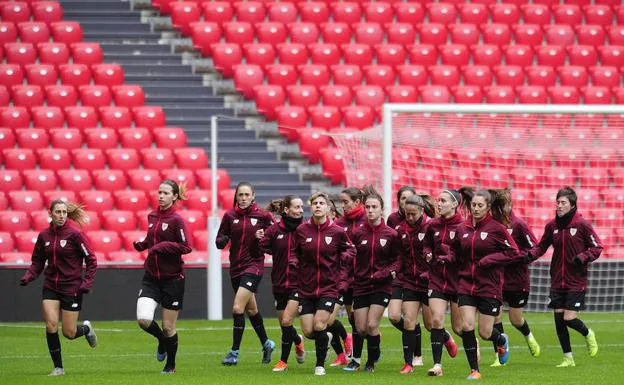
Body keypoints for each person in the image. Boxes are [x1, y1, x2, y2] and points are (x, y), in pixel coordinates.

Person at [440, 189, 521, 380]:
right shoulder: (462, 228)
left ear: (488, 207)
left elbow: (513, 252)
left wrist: (491, 259)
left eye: (480, 206)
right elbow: (456, 252)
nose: (476, 209)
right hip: (466, 284)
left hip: (488, 287)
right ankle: (474, 370)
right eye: (474, 205)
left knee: (485, 332)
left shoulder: (496, 228)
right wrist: (446, 256)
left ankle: (501, 340)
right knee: (466, 326)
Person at [526, 186, 602, 368]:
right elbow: (541, 246)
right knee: (559, 320)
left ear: (572, 205)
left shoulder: (582, 224)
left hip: (576, 280)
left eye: (563, 203)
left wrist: (582, 257)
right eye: (557, 202)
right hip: (557, 280)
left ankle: (588, 333)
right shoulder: (552, 226)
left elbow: (597, 247)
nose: (559, 206)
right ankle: (568, 358)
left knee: (569, 319)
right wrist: (530, 255)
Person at [19, 200, 98, 376]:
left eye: (64, 212)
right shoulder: (44, 236)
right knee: (51, 325)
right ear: (50, 213)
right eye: (58, 212)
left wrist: (87, 282)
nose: (61, 215)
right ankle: (58, 368)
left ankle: (85, 329)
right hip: (50, 286)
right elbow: (37, 261)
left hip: (72, 287)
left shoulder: (75, 235)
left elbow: (91, 260)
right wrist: (29, 276)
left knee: (69, 333)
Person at [293, 192, 355, 375]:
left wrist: (342, 259)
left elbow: (351, 250)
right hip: (307, 287)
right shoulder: (302, 231)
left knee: (320, 324)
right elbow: (295, 253)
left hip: (329, 287)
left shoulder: (337, 232)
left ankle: (319, 365)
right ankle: (327, 338)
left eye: (321, 203)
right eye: (315, 203)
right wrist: (294, 263)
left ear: (328, 208)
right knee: (308, 332)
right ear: (311, 207)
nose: (318, 206)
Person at [134, 180, 192, 374]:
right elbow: (152, 239)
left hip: (173, 279)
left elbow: (186, 246)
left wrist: (162, 247)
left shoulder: (177, 220)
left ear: (174, 196)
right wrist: (143, 244)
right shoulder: (152, 216)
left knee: (169, 327)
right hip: (151, 277)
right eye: (159, 192)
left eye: (165, 193)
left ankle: (171, 365)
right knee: (143, 319)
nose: (161, 196)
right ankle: (160, 340)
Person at [216, 182, 276, 366]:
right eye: (240, 195)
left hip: (254, 266)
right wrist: (223, 240)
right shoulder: (229, 216)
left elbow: (275, 238)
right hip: (235, 267)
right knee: (251, 310)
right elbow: (218, 241)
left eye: (246, 195)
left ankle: (234, 353)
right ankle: (267, 344)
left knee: (237, 308)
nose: (243, 198)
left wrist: (264, 237)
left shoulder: (263, 216)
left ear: (253, 196)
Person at [343, 186, 401, 373]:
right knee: (360, 328)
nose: (370, 210)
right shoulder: (358, 233)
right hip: (360, 285)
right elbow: (350, 253)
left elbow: (398, 259)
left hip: (382, 286)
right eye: (367, 207)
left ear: (381, 209)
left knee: (371, 325)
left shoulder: (391, 234)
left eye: (374, 207)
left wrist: (388, 272)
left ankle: (370, 361)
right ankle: (366, 354)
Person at [490, 189, 541, 367]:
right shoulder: (490, 224)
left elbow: (536, 247)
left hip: (517, 280)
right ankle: (499, 355)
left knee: (515, 319)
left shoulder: (518, 224)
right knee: (495, 317)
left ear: (509, 204)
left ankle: (528, 335)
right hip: (496, 279)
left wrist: (523, 257)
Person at [389, 194, 437, 374]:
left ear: (421, 211)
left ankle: (445, 342)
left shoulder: (431, 227)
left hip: (429, 282)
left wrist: (430, 270)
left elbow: (438, 252)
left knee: (430, 325)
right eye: (406, 214)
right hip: (410, 281)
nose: (409, 218)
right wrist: (397, 270)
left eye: (413, 214)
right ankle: (408, 364)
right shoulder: (401, 230)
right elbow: (401, 255)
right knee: (409, 321)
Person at [259, 195, 306, 372]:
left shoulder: (305, 229)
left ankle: (283, 362)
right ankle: (298, 341)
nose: (300, 210)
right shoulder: (274, 230)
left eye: (302, 207)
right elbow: (262, 247)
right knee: (285, 325)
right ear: (286, 210)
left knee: (287, 321)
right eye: (297, 207)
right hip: (279, 283)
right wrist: (259, 237)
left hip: (298, 283)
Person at [426, 189, 470, 376]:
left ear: (454, 204)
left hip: (457, 281)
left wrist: (449, 254)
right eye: (438, 200)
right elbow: (427, 244)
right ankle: (437, 365)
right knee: (436, 320)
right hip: (436, 279)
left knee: (459, 328)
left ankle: (472, 344)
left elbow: (467, 254)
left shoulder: (464, 226)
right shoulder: (433, 225)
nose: (439, 203)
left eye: (443, 200)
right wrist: (427, 252)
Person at [334, 187, 368, 362]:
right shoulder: (339, 224)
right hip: (344, 278)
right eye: (341, 202)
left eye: (346, 202)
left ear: (357, 202)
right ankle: (350, 352)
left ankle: (359, 357)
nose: (343, 206)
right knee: (352, 317)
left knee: (362, 321)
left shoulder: (369, 220)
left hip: (364, 278)